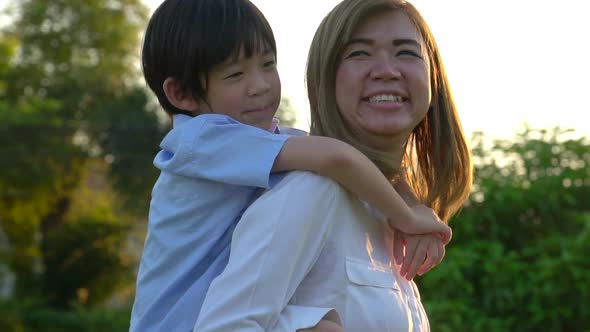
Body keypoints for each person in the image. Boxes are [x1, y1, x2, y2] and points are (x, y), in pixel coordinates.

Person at [130, 0, 452, 331]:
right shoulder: (203, 140)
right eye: (236, 74)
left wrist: (415, 209)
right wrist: (408, 217)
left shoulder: (259, 143)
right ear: (181, 94)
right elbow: (337, 157)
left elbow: (358, 162)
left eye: (268, 65)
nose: (261, 85)